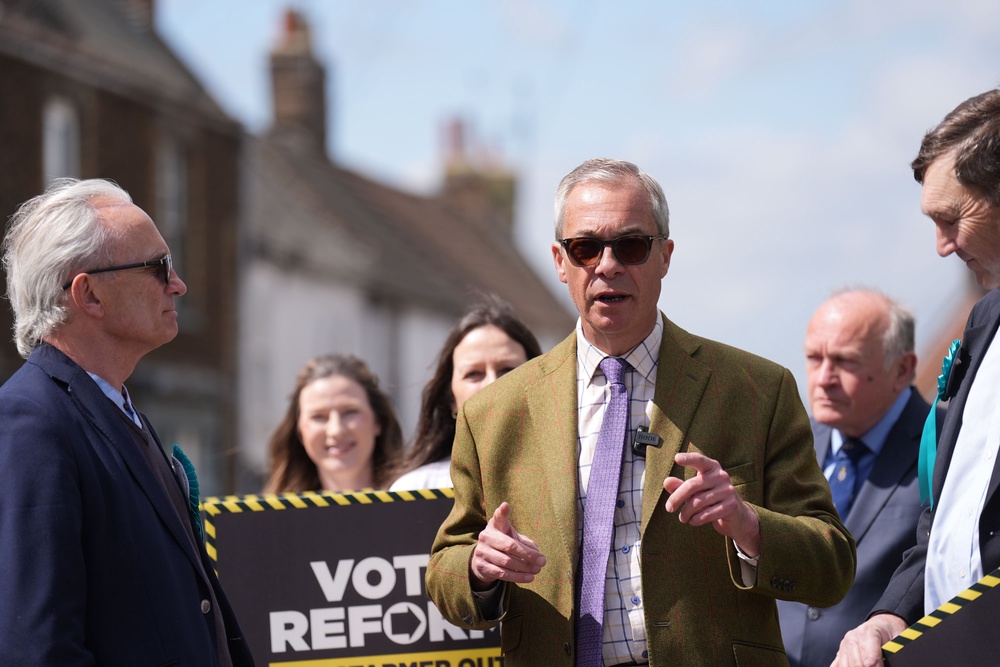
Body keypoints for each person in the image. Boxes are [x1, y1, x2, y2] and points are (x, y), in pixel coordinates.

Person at [426, 158, 855, 666]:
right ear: (560, 262)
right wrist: (479, 566)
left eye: (630, 245)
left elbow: (832, 565)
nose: (607, 265)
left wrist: (748, 524)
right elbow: (443, 567)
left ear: (665, 256)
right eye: (585, 248)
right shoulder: (495, 412)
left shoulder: (756, 390)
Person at [0, 178, 254, 665]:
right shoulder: (30, 424)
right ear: (89, 294)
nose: (177, 284)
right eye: (158, 267)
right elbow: (37, 647)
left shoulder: (114, 407)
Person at [834, 89, 1000, 666]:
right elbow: (945, 519)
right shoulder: (982, 324)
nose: (942, 247)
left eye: (953, 219)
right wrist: (889, 617)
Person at [777, 289, 935, 667]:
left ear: (902, 369)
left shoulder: (945, 444)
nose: (824, 378)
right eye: (814, 358)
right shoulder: (784, 444)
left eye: (845, 362)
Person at [389, 296, 542, 491]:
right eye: (474, 374)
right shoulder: (415, 490)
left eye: (508, 370)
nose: (492, 384)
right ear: (451, 400)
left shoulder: (576, 476)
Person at [264, 353, 404, 493]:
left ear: (378, 421)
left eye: (350, 412)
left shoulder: (415, 500)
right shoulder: (276, 512)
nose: (336, 430)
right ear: (299, 431)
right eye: (318, 417)